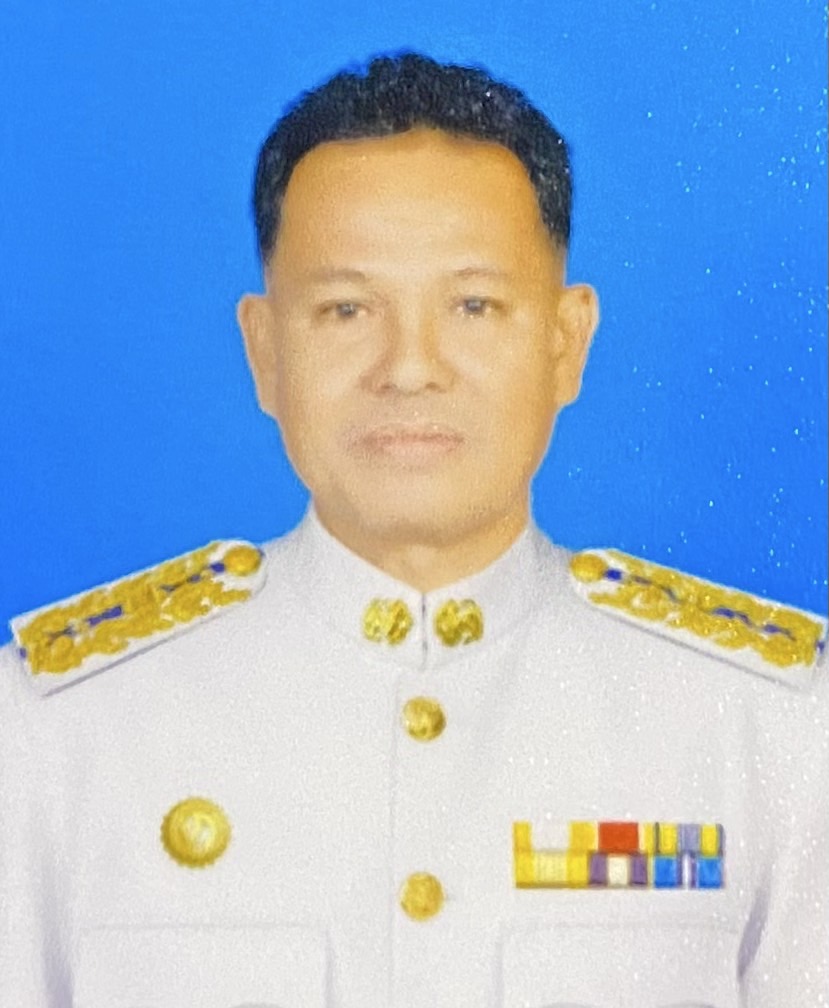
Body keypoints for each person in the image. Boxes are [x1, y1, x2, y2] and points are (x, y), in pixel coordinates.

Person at [1, 52, 826, 1008]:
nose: (408, 368)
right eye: (346, 309)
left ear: (565, 342)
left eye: (473, 306)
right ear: (264, 351)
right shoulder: (55, 733)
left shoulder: (767, 727)